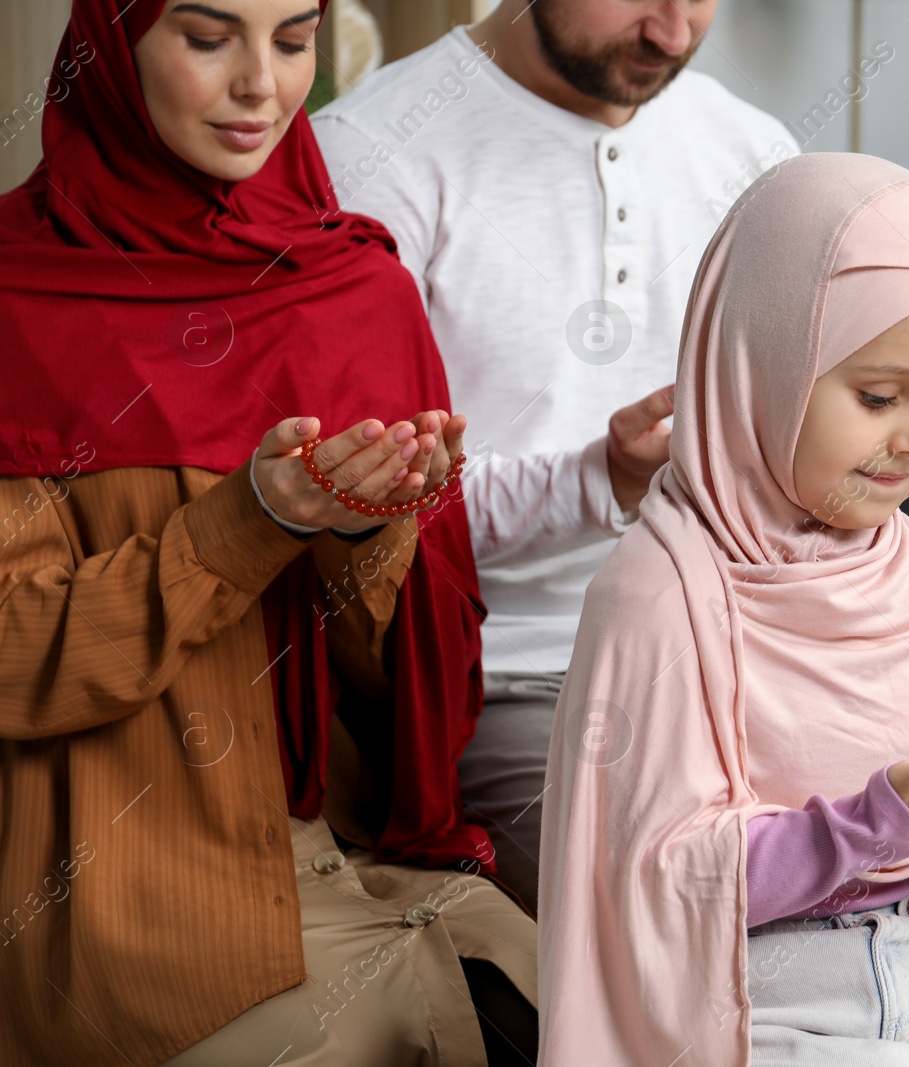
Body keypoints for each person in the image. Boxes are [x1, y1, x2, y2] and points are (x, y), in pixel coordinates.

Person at [0, 1, 538, 1063]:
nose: (263, 86)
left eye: (293, 41)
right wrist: (250, 521)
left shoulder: (356, 289)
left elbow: (406, 693)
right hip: (113, 884)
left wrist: (372, 532)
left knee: (596, 1018)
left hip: (345, 847)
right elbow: (15, 655)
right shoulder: (19, 299)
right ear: (111, 50)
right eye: (209, 39)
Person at [537, 151, 909, 1066]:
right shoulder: (660, 592)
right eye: (879, 396)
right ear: (760, 363)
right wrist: (865, 825)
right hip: (741, 1010)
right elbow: (654, 888)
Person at [311, 0, 799, 904]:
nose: (672, 34)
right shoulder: (370, 153)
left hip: (749, 652)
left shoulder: (757, 155)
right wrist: (598, 480)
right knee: (672, 910)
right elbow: (367, 517)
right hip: (511, 678)